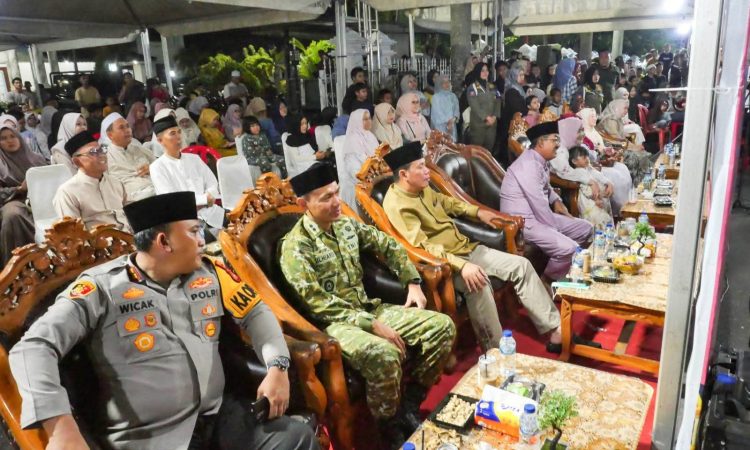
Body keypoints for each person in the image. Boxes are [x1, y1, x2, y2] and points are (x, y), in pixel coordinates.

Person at [10, 191, 319, 450]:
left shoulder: (210, 272)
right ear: (164, 242)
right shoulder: (101, 289)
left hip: (217, 417)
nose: (203, 240)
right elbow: (33, 347)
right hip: (152, 437)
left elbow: (255, 312)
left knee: (296, 438)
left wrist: (277, 367)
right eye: (194, 232)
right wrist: (59, 425)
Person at [279, 163, 456, 445]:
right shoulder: (296, 246)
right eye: (326, 197)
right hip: (335, 325)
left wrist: (412, 281)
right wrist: (372, 325)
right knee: (384, 354)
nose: (337, 202)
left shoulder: (345, 225)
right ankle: (388, 428)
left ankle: (409, 405)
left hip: (369, 308)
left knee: (442, 327)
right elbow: (317, 303)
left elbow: (388, 245)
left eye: (337, 193)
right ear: (304, 204)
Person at [381, 142, 564, 353]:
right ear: (404, 174)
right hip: (445, 266)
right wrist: (462, 266)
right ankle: (495, 352)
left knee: (521, 266)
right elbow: (423, 247)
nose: (427, 171)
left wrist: (477, 212)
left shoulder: (421, 186)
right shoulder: (397, 204)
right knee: (478, 283)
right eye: (421, 166)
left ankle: (555, 329)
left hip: (465, 248)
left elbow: (446, 202)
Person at [500, 122, 593, 280]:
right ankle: (546, 282)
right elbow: (539, 204)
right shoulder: (528, 165)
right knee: (570, 249)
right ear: (541, 143)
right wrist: (556, 231)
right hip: (522, 223)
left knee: (586, 228)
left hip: (538, 216)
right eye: (554, 140)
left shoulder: (540, 160)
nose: (558, 144)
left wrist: (556, 200)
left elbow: (545, 186)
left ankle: (568, 272)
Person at [150, 116, 225, 236]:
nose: (178, 136)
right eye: (172, 133)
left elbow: (212, 183)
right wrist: (204, 200)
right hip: (184, 222)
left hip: (212, 213)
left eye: (179, 132)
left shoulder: (194, 159)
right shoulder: (157, 167)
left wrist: (209, 196)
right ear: (160, 140)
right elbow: (172, 201)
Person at [53, 130, 130, 232]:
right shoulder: (67, 192)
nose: (102, 154)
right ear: (77, 161)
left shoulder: (116, 183)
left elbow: (133, 214)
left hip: (130, 238)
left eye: (102, 149)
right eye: (93, 152)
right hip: (100, 241)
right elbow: (74, 235)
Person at [0, 123, 47, 265]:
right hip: (13, 200)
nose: (10, 141)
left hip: (42, 198)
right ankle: (17, 265)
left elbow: (50, 179)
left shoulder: (37, 159)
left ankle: (54, 255)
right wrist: (19, 189)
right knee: (13, 214)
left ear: (19, 137)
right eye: (3, 138)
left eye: (13, 136)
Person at [549, 116, 613, 211]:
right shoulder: (558, 150)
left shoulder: (572, 145)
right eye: (579, 131)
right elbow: (565, 173)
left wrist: (607, 181)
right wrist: (590, 181)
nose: (583, 134)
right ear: (569, 131)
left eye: (582, 130)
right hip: (567, 189)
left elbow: (588, 168)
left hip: (578, 184)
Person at [576, 107, 632, 214]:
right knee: (616, 175)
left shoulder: (594, 132)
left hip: (598, 163)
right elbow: (588, 159)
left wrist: (606, 151)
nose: (595, 119)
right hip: (595, 165)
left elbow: (600, 149)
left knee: (622, 168)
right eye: (591, 116)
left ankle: (627, 203)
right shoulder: (582, 137)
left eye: (595, 116)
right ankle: (619, 208)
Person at [101, 113, 157, 201]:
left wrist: (152, 169)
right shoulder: (105, 158)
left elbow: (160, 169)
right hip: (131, 202)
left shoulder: (142, 150)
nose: (127, 130)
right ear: (110, 135)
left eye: (128, 126)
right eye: (121, 127)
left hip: (156, 192)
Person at [597, 99, 652, 184]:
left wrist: (634, 144)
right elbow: (615, 140)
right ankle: (639, 183)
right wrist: (633, 147)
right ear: (616, 108)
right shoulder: (610, 120)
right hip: (612, 149)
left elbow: (620, 137)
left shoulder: (616, 118)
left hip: (617, 145)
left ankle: (645, 179)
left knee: (642, 150)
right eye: (625, 108)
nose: (626, 111)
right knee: (639, 155)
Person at [341, 109, 379, 208]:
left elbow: (378, 157)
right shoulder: (352, 140)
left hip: (373, 176)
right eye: (365, 119)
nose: (369, 121)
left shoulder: (370, 136)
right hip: (357, 182)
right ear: (357, 121)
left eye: (369, 118)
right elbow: (354, 170)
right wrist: (370, 178)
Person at [568, 146, 613, 228]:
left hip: (597, 199)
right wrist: (596, 199)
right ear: (574, 161)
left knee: (603, 219)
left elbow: (599, 175)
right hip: (589, 201)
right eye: (583, 157)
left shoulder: (588, 168)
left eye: (587, 156)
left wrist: (609, 183)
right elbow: (586, 189)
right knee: (597, 220)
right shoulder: (578, 172)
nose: (587, 159)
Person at [467, 63, 502, 151]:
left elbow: (498, 101)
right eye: (482, 71)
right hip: (478, 125)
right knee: (476, 152)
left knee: (489, 150)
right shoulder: (472, 88)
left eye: (486, 70)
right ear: (478, 72)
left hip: (492, 124)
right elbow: (474, 105)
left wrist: (494, 117)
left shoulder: (492, 86)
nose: (485, 73)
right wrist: (487, 117)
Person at [239, 115, 285, 180]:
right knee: (264, 161)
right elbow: (251, 153)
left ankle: (284, 180)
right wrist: (264, 150)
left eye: (257, 125)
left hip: (266, 156)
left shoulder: (262, 135)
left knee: (281, 159)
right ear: (247, 128)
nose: (256, 127)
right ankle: (268, 181)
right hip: (252, 159)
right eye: (252, 126)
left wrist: (260, 149)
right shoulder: (246, 139)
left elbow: (268, 148)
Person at [499, 65, 528, 164]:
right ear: (513, 76)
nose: (522, 77)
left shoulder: (519, 88)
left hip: (517, 122)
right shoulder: (511, 90)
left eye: (523, 75)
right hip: (511, 122)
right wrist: (528, 109)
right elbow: (518, 107)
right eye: (520, 75)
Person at [430, 75, 460, 142]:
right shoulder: (436, 97)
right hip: (440, 126)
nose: (447, 84)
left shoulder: (453, 96)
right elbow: (437, 112)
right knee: (441, 144)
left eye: (448, 81)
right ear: (440, 84)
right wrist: (448, 122)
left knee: (452, 144)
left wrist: (453, 120)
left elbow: (456, 110)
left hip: (452, 125)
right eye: (444, 82)